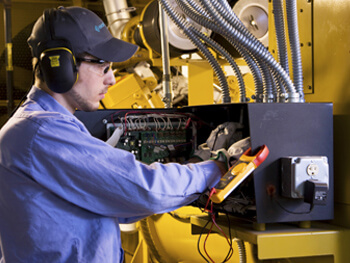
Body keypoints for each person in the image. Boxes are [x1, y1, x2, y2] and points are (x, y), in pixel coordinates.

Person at [0, 6, 235, 263]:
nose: (111, 79)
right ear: (61, 66)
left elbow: (120, 203)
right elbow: (145, 190)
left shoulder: (48, 126)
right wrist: (216, 168)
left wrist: (189, 171)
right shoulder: (41, 132)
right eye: (103, 66)